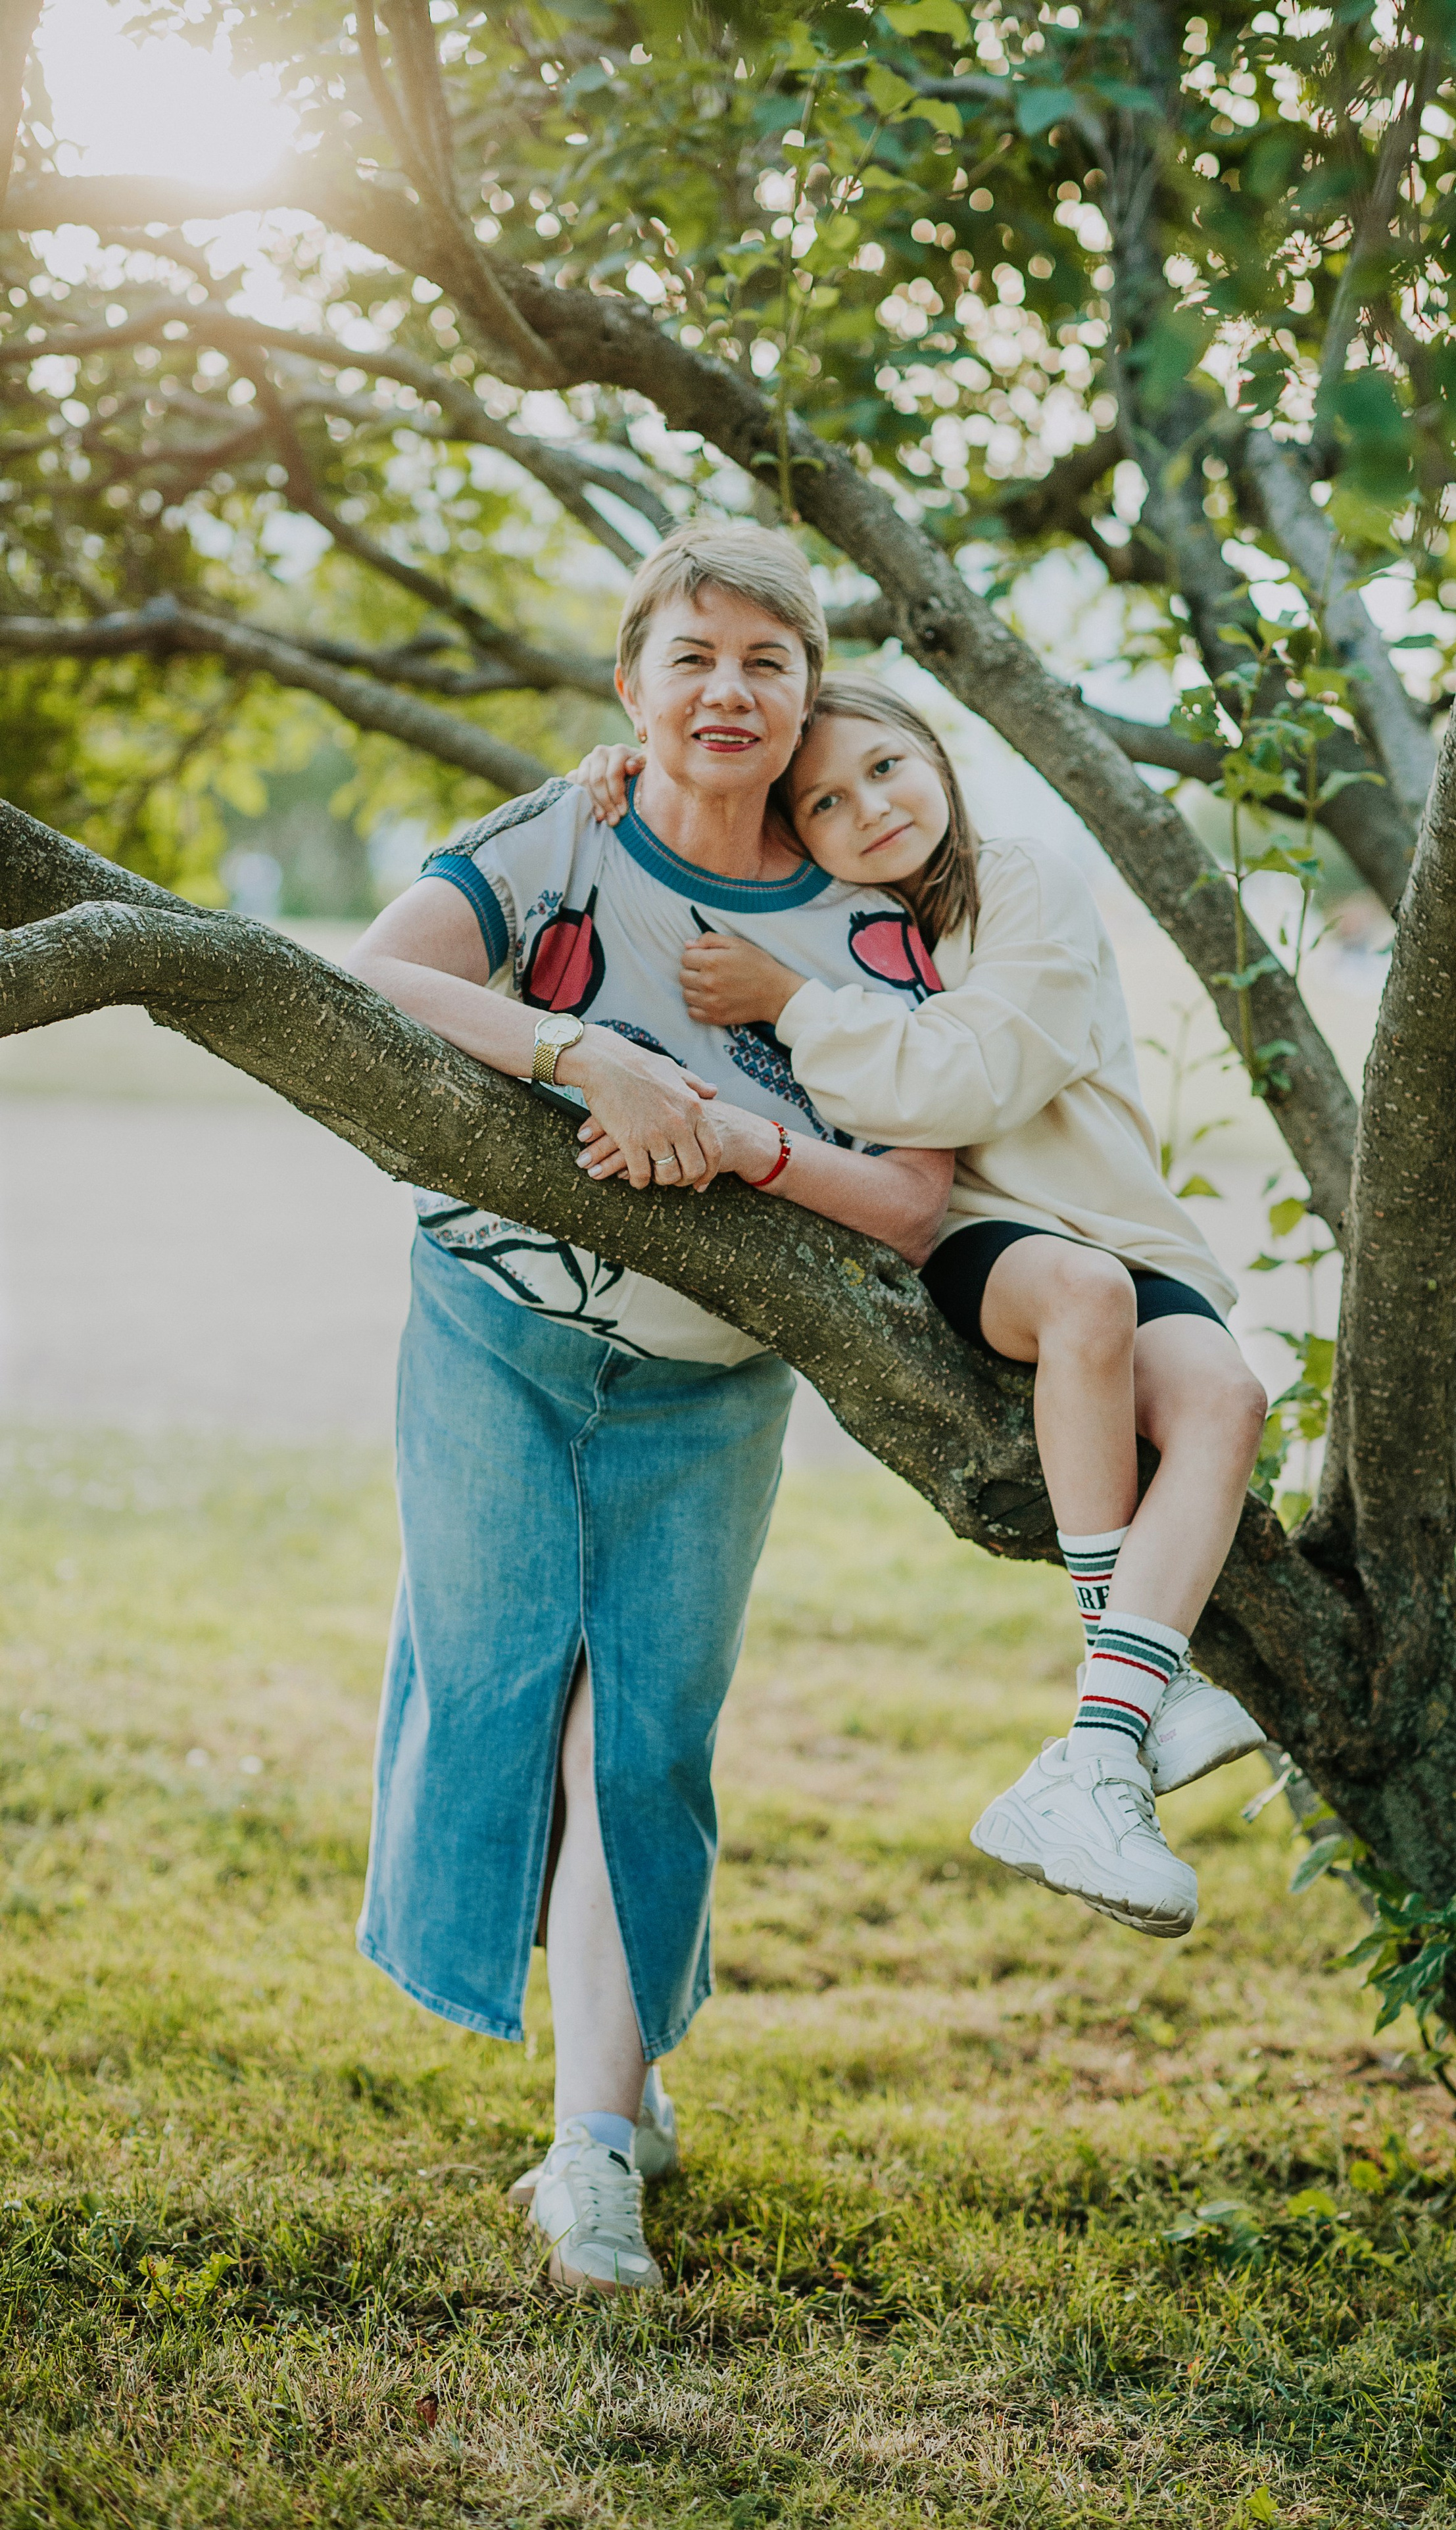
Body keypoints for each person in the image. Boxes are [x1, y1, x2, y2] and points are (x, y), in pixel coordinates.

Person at [346, 535, 953, 2299]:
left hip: (708, 1387)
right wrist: (586, 1057)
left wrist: (738, 1136)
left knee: (646, 1739)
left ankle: (596, 2137)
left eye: (770, 660)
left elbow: (915, 1197)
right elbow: (364, 978)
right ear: (634, 686)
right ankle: (602, 2091)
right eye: (693, 656)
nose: (729, 691)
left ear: (808, 695)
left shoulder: (867, 924)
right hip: (491, 1341)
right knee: (501, 1685)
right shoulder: (565, 833)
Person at [570, 675, 1271, 1943]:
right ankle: (1121, 1728)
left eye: (888, 768)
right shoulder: (823, 917)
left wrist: (789, 1004)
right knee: (1084, 1296)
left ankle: (1101, 1741)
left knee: (1228, 1395)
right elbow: (683, 845)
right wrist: (619, 778)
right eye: (827, 801)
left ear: (937, 758)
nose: (870, 809)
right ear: (798, 830)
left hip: (1114, 1220)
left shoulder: (1021, 881)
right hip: (973, 1236)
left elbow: (973, 1075)